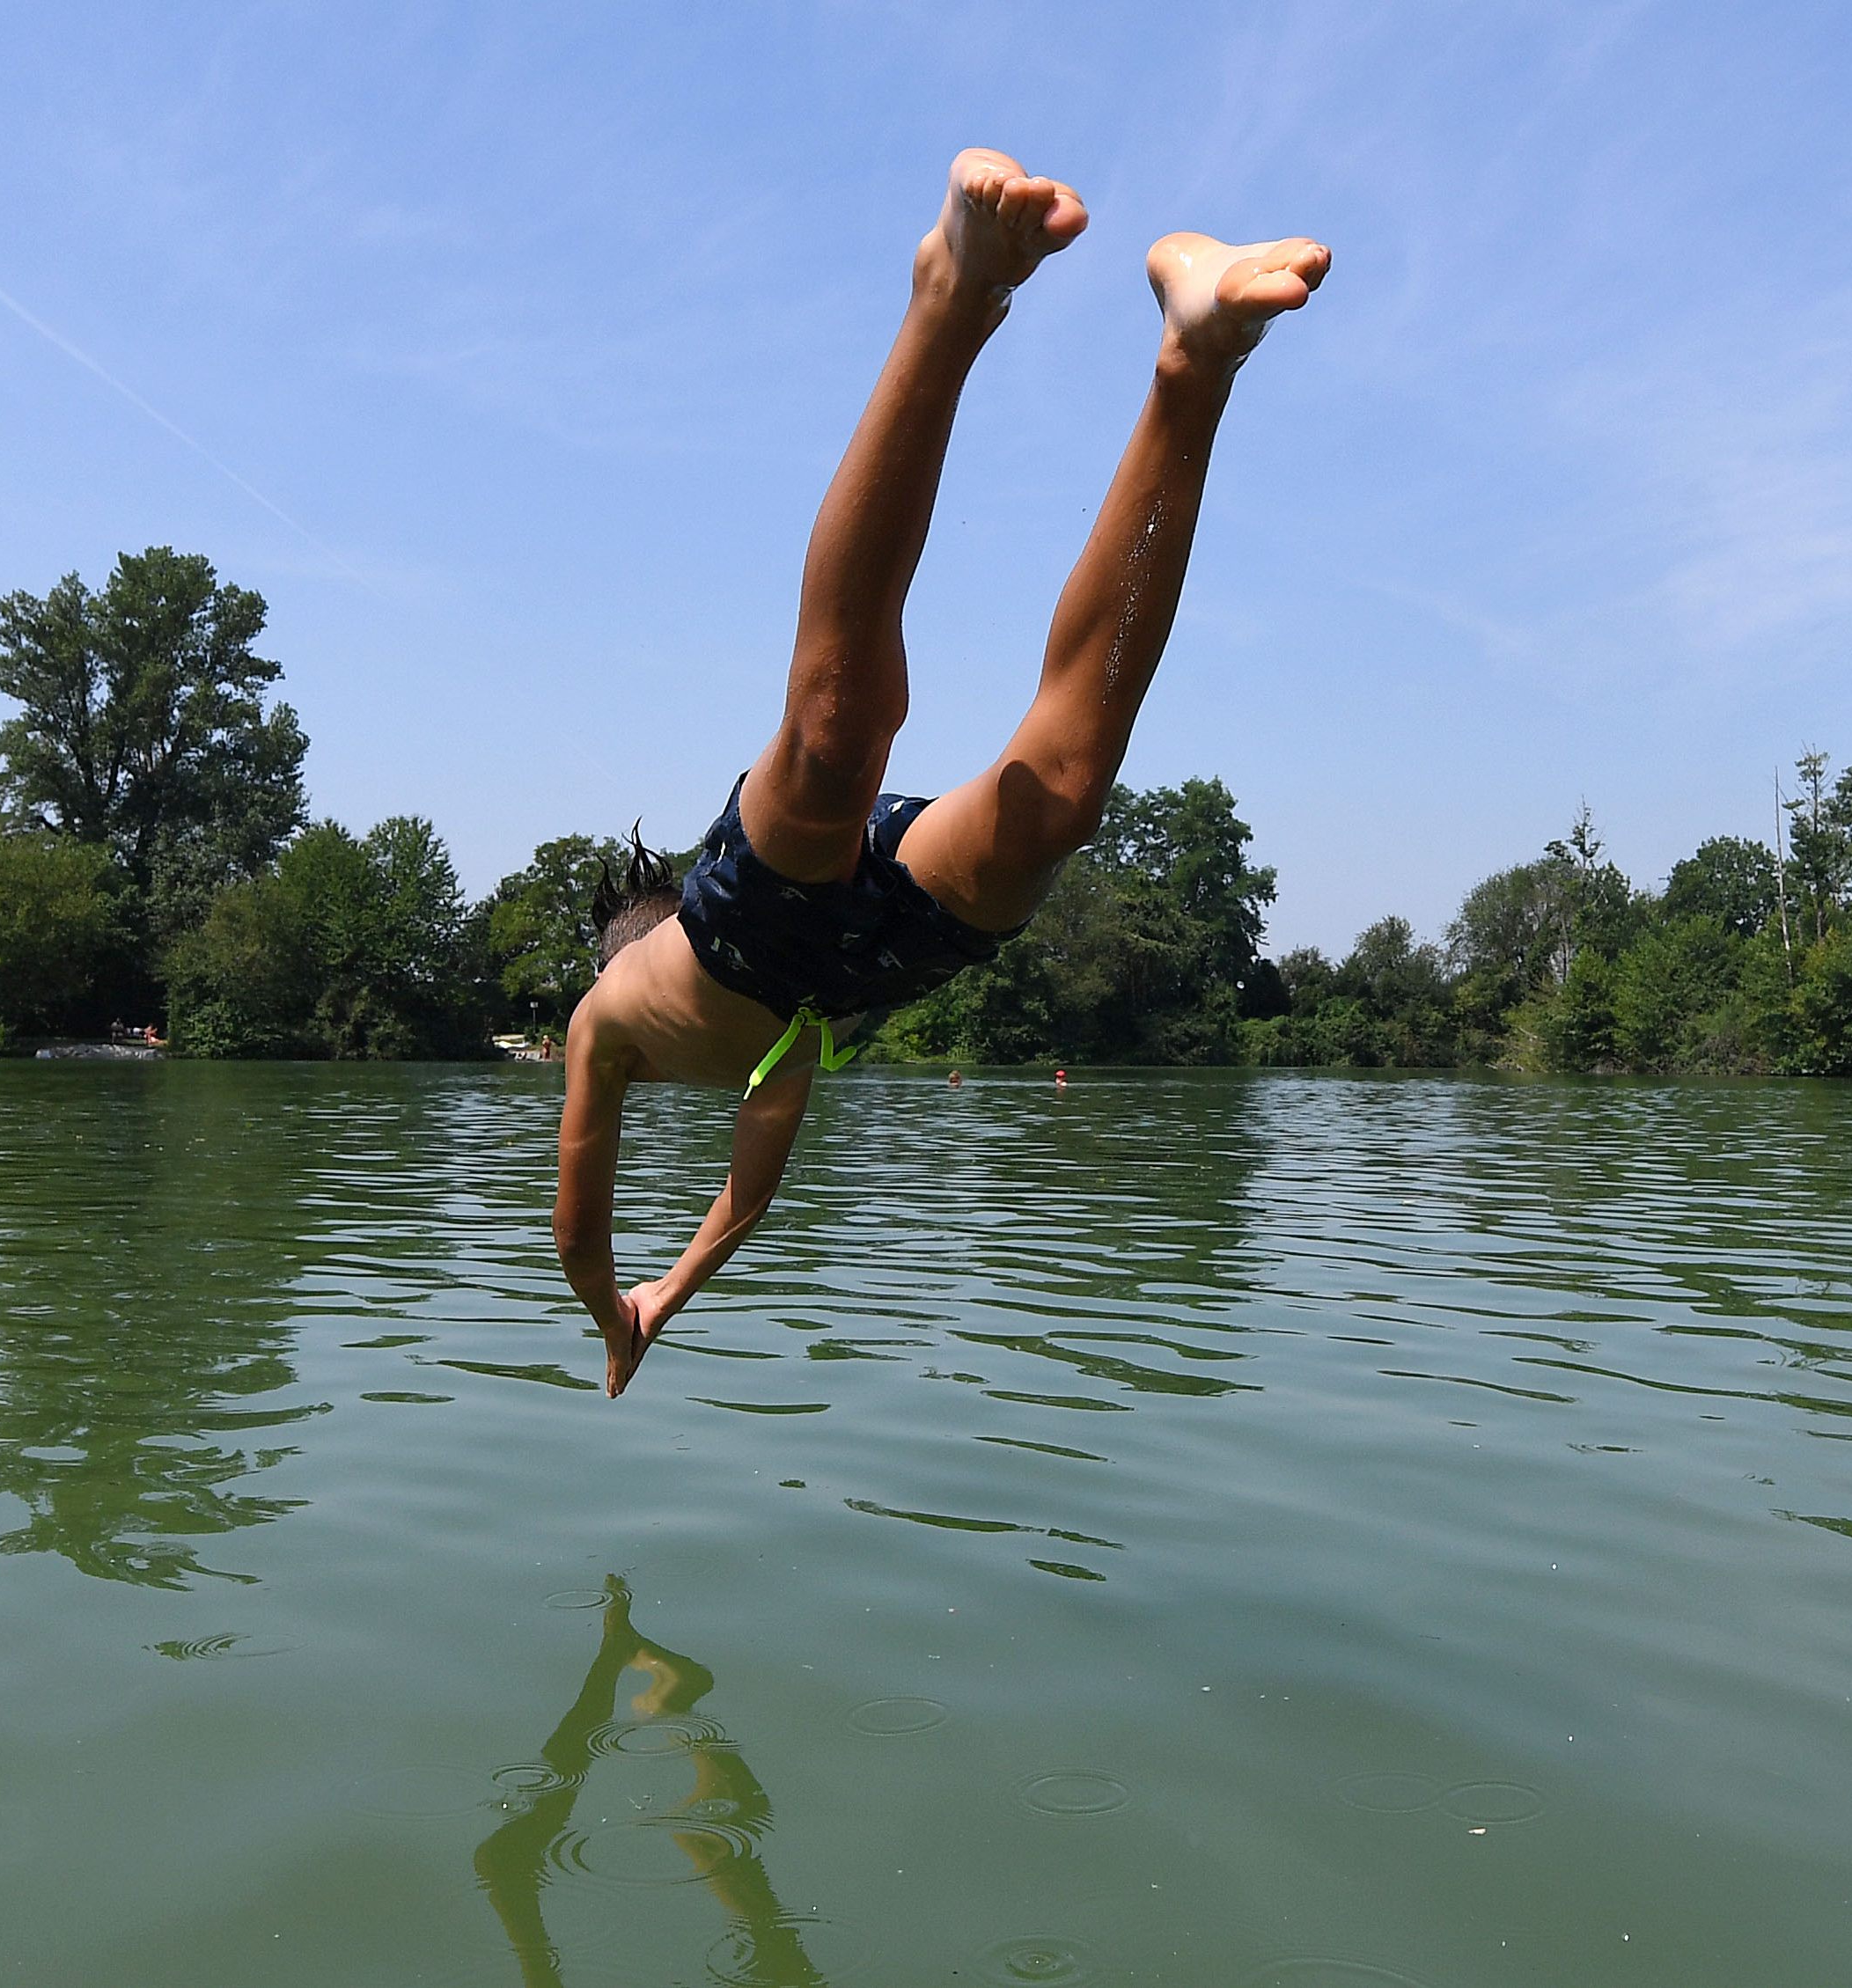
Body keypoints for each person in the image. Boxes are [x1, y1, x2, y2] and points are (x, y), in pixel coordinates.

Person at [555, 147, 1328, 1396]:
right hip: (855, 968)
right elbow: (750, 1197)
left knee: (836, 736)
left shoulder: (607, 1017)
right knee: (1060, 800)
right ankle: (1198, 354)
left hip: (752, 926)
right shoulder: (774, 1063)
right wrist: (664, 1302)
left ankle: (953, 293)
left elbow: (577, 1232)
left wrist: (607, 1309)